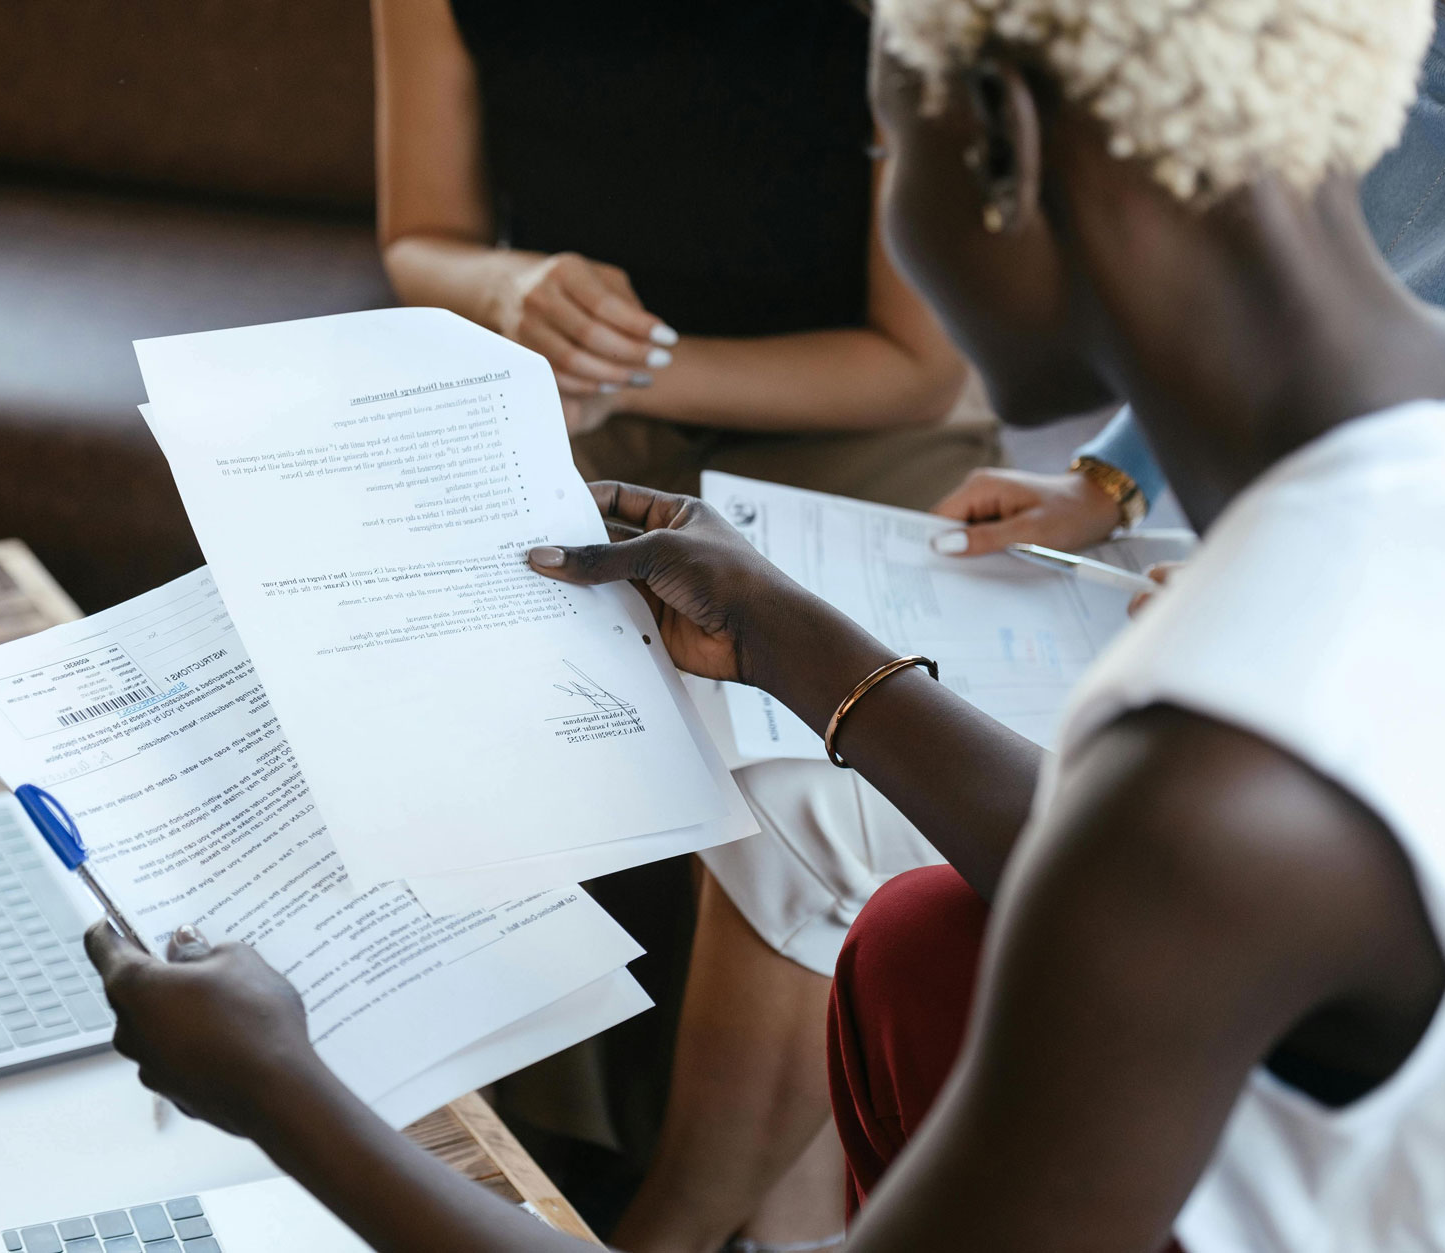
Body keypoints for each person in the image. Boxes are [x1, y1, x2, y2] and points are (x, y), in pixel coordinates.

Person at [88, 2, 1445, 1251]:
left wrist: (279, 1089)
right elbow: (1129, 882)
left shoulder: (1224, 782)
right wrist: (786, 630)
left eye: (883, 135)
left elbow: (1160, 874)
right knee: (922, 923)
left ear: (1001, 146)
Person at [374, 5, 996, 1247]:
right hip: (596, 410)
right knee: (466, 643)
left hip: (855, 418)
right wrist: (510, 285)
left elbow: (916, 367)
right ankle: (566, 1155)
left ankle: (689, 1217)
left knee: (792, 751)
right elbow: (418, 240)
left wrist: (636, 365)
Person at [930, 0, 1445, 557]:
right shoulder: (1355, 31)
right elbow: (1255, 280)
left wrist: (1302, 567)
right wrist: (1113, 478)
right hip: (1268, 510)